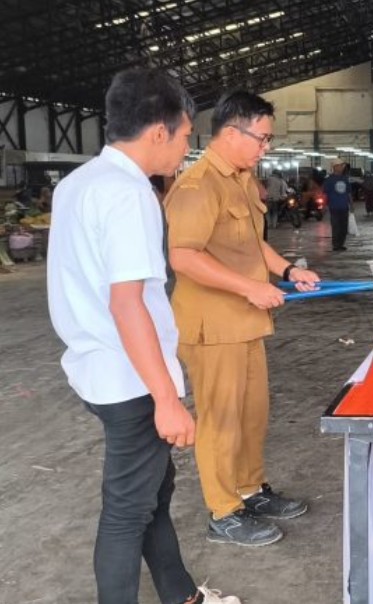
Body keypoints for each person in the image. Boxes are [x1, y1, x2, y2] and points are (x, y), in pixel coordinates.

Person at [46, 68, 239, 604]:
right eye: (185, 136)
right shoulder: (129, 194)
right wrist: (166, 400)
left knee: (153, 490)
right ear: (159, 131)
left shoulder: (77, 183)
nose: (185, 149)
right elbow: (127, 303)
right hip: (131, 377)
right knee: (127, 510)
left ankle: (182, 595)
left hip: (97, 367)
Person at [164, 90, 321, 547]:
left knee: (252, 414)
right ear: (232, 133)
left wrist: (288, 271)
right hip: (213, 327)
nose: (266, 148)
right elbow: (184, 257)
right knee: (221, 420)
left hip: (246, 321)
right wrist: (250, 287)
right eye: (262, 138)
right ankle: (223, 511)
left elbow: (253, 245)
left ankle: (251, 490)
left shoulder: (241, 180)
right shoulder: (197, 186)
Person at [323, 160, 352, 250]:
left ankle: (341, 244)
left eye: (342, 166)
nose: (342, 168)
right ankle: (336, 245)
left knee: (344, 227)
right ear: (335, 167)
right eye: (340, 166)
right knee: (336, 226)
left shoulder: (345, 179)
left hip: (344, 207)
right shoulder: (329, 180)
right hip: (334, 207)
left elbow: (349, 193)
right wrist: (324, 206)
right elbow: (325, 194)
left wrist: (351, 204)